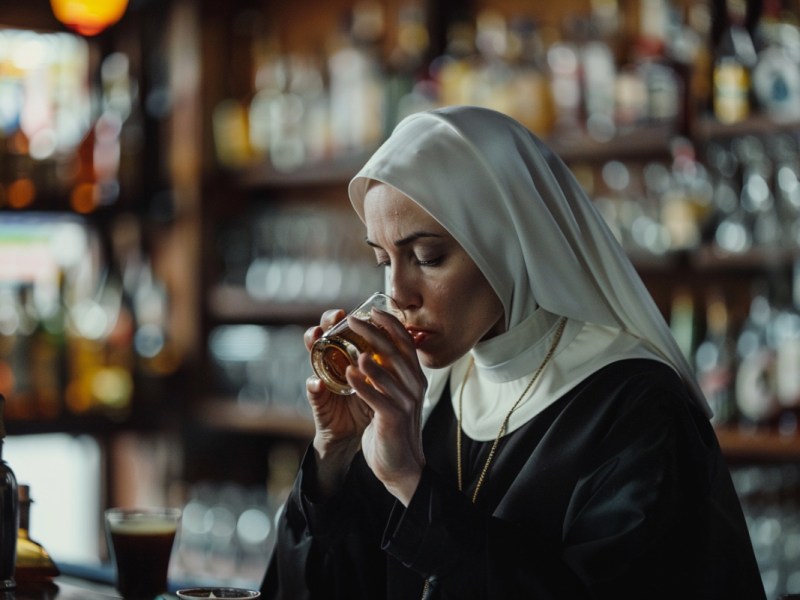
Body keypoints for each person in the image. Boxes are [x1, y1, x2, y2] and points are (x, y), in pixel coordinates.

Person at [260, 105, 766, 599]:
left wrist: (413, 483)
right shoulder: (424, 398)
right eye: (382, 260)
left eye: (427, 257)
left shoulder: (636, 407)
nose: (398, 293)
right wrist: (336, 457)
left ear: (507, 242)